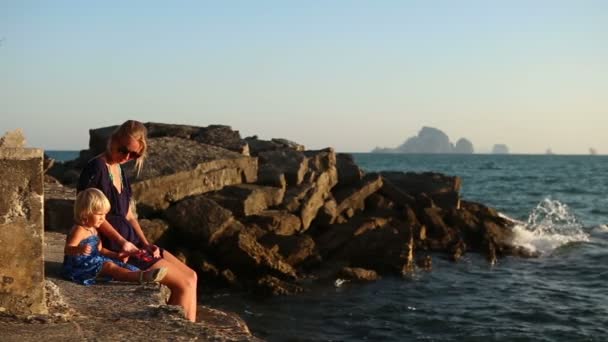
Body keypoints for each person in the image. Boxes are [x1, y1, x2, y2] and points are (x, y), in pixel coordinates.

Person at [77, 120, 198, 322]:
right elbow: (89, 213)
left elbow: (129, 215)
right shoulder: (96, 168)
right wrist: (123, 242)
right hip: (115, 245)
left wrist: (145, 242)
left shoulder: (120, 170)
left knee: (192, 276)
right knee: (183, 284)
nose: (126, 157)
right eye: (124, 150)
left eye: (134, 154)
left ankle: (190, 331)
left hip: (132, 242)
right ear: (113, 140)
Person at [63, 188, 168, 285]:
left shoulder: (94, 229)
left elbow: (100, 250)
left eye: (104, 215)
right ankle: (141, 276)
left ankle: (143, 273)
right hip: (80, 266)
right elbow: (67, 249)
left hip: (94, 260)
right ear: (85, 214)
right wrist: (79, 249)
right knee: (109, 266)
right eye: (99, 214)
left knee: (120, 264)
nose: (103, 219)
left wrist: (116, 255)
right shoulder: (79, 230)